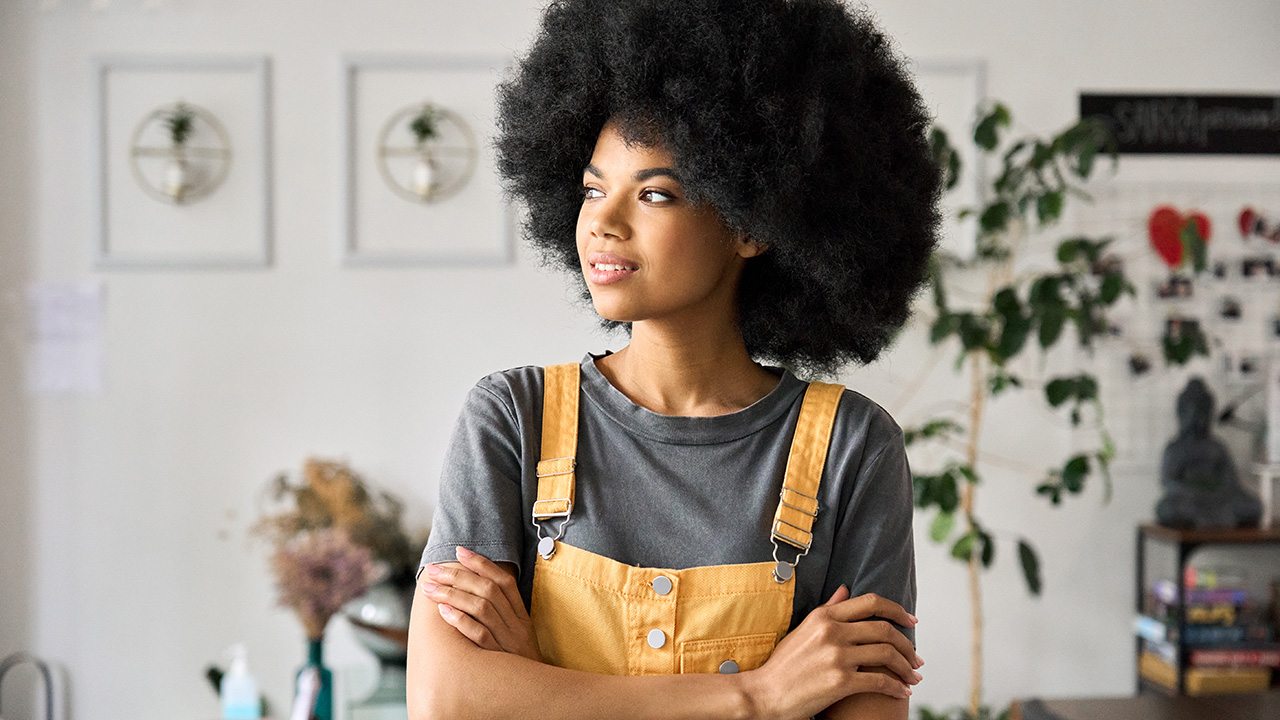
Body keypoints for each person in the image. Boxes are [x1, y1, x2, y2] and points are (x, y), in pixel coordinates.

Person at [406, 0, 942, 718]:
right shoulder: (513, 419)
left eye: (653, 193)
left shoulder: (854, 449)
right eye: (594, 188)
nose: (601, 221)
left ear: (751, 223)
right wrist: (756, 696)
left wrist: (535, 680)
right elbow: (443, 700)